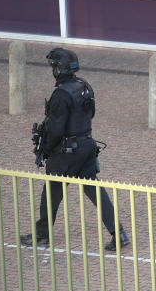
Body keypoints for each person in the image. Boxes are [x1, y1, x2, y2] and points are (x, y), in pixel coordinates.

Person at [20, 48, 130, 252]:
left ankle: (42, 235)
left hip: (66, 152)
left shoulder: (60, 95)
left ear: (58, 69)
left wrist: (45, 149)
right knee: (95, 191)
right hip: (87, 146)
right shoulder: (84, 86)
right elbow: (91, 114)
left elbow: (55, 129)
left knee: (51, 192)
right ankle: (119, 233)